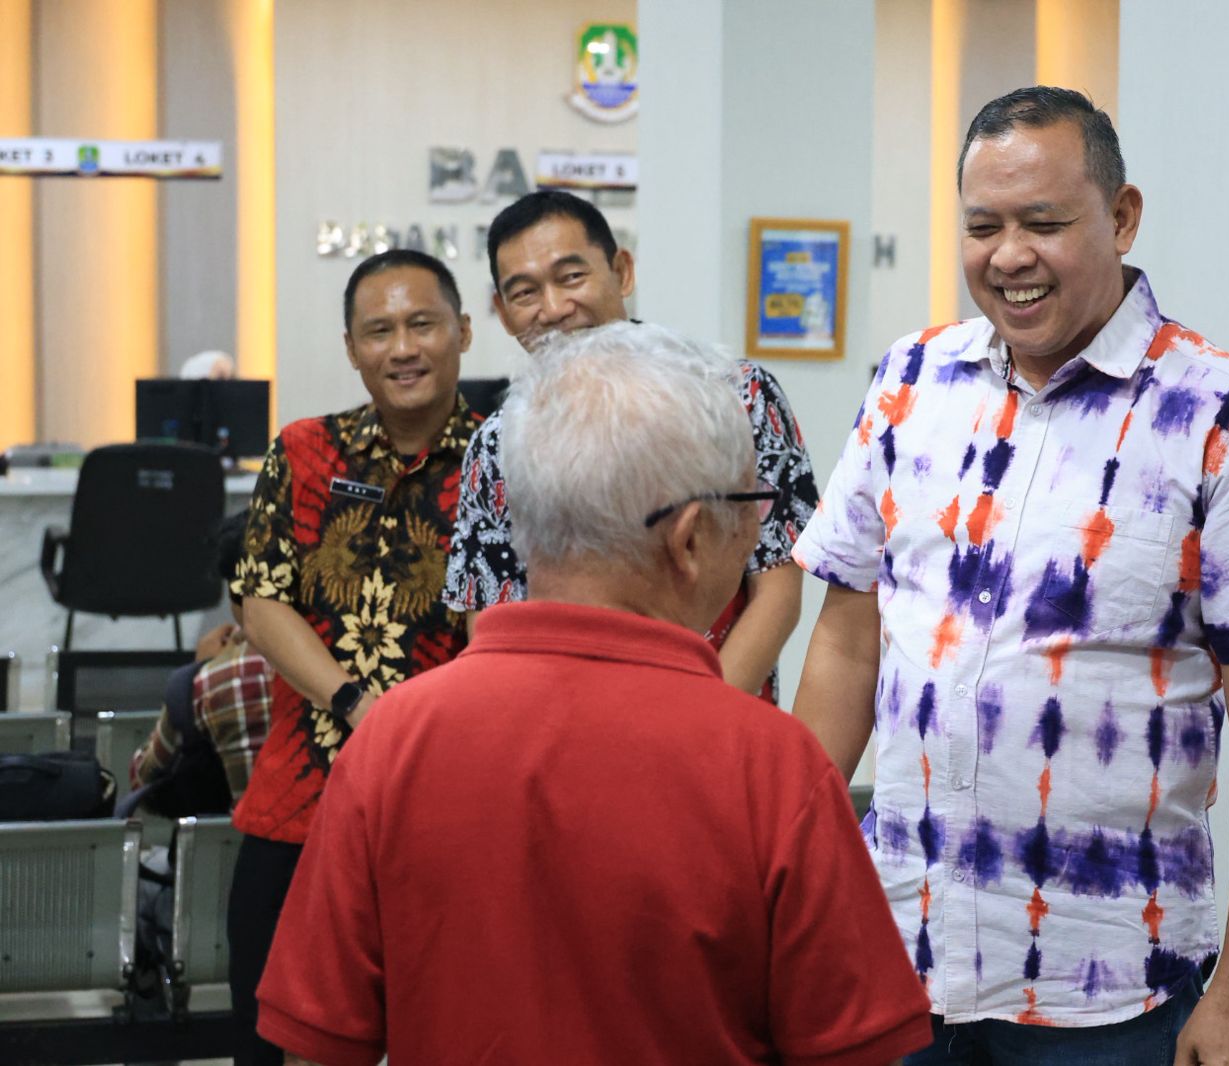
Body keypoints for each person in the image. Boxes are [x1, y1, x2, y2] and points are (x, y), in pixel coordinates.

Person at [791, 87, 1229, 1066]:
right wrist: (784, 874)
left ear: (1120, 217)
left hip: (1109, 995)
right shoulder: (908, 383)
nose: (1008, 255)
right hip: (893, 961)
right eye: (983, 226)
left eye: (1043, 223)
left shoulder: (1225, 417)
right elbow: (845, 639)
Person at [256, 322, 931, 1066]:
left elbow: (320, 1046)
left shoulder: (393, 742)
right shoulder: (771, 768)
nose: (757, 537)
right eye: (750, 506)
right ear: (690, 538)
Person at [227, 249, 480, 1065]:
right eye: (379, 330)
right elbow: (262, 600)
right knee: (272, 1036)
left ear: (463, 333)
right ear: (351, 348)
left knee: (441, 1035)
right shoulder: (304, 451)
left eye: (421, 324)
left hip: (449, 806)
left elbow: (516, 627)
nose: (402, 347)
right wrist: (354, 703)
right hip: (301, 797)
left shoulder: (506, 461)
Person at [442, 190, 816, 700]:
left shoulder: (737, 396)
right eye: (525, 293)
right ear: (503, 313)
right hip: (565, 730)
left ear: (621, 271)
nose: (553, 309)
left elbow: (776, 589)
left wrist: (694, 719)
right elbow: (494, 620)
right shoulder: (496, 445)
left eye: (572, 277)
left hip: (718, 720)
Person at [128, 510, 273, 813]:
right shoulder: (358, 660)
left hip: (235, 855)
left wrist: (199, 674)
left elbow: (143, 778)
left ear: (236, 594)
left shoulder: (216, 681)